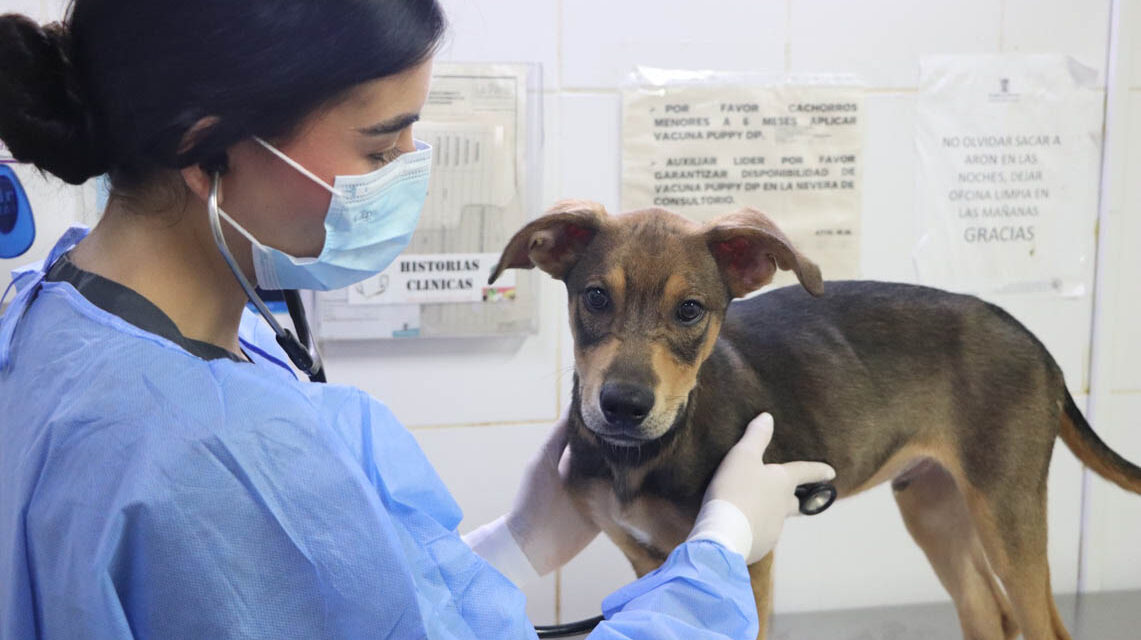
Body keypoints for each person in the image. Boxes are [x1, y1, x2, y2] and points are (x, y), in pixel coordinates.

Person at [0, 2, 836, 638]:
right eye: (378, 146)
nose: (409, 170)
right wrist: (719, 553)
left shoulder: (66, 322)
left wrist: (517, 544)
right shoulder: (201, 451)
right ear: (209, 149)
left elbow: (331, 605)